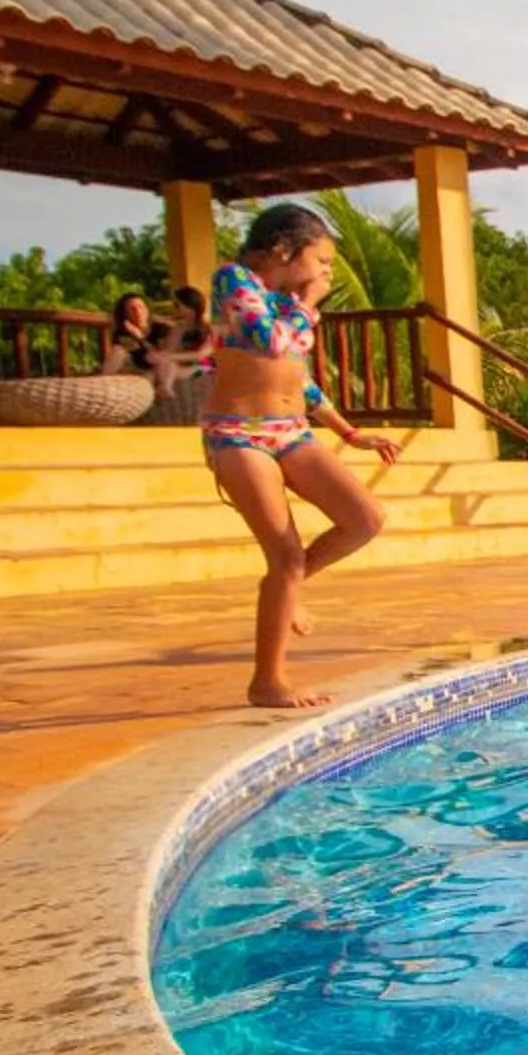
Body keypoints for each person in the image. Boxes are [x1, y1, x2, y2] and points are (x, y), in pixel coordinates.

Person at [202, 203, 399, 709]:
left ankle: (287, 590)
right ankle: (267, 681)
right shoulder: (233, 281)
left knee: (365, 518)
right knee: (285, 557)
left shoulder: (281, 303)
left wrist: (349, 433)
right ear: (285, 250)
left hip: (291, 432)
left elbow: (299, 380)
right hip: (240, 435)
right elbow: (268, 343)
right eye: (324, 261)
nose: (328, 274)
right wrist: (308, 304)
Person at [102, 291, 158, 375]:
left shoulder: (159, 328)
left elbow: (158, 357)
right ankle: (103, 379)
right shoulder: (124, 335)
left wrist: (139, 336)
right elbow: (140, 358)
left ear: (147, 310)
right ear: (125, 313)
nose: (138, 312)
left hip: (163, 368)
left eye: (141, 307)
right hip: (141, 369)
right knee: (118, 351)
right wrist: (135, 335)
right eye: (132, 309)